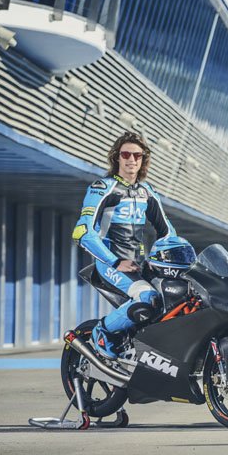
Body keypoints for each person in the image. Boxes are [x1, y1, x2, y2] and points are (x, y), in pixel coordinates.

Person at [71, 131, 180, 358]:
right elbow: (83, 232)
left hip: (139, 264)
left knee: (178, 298)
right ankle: (103, 331)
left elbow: (167, 232)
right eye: (126, 154)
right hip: (110, 263)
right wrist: (115, 261)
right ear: (117, 158)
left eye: (137, 155)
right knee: (147, 298)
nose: (132, 160)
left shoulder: (147, 191)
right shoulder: (104, 187)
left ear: (143, 160)